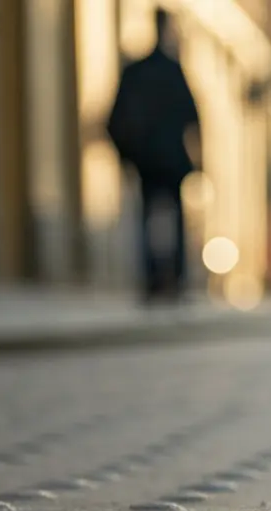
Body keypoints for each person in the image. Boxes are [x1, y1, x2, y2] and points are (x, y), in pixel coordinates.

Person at [107, 8, 200, 305]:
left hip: (147, 161)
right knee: (173, 219)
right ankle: (175, 279)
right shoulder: (172, 71)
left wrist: (127, 156)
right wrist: (198, 160)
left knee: (148, 218)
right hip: (168, 160)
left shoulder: (136, 72)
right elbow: (194, 118)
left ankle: (152, 280)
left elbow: (115, 120)